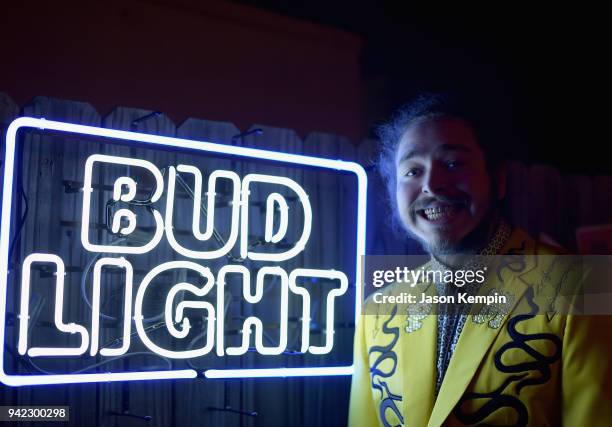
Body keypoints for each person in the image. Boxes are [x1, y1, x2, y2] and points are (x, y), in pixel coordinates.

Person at [348, 93, 612, 426]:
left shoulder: (585, 286)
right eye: (412, 171)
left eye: (453, 163)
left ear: (498, 179)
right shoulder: (379, 311)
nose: (431, 184)